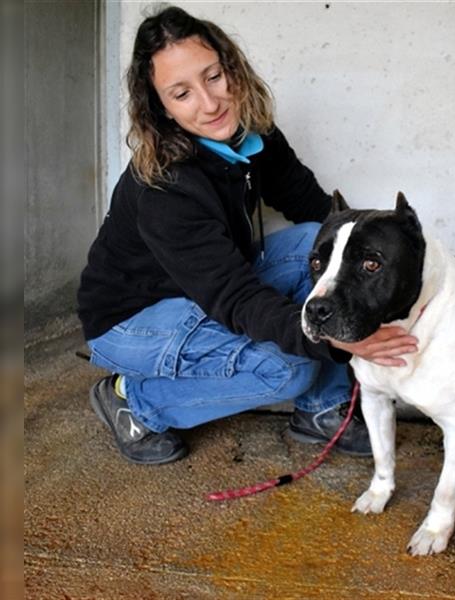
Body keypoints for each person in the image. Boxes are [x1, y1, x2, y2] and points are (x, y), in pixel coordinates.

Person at [77, 5, 417, 465]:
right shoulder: (164, 188)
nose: (210, 102)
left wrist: (385, 266)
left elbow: (313, 207)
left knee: (321, 242)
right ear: (162, 109)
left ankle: (321, 410)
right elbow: (237, 299)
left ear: (231, 68)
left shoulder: (250, 130)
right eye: (182, 93)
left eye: (213, 77)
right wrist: (341, 342)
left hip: (201, 288)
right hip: (132, 320)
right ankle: (133, 401)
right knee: (288, 368)